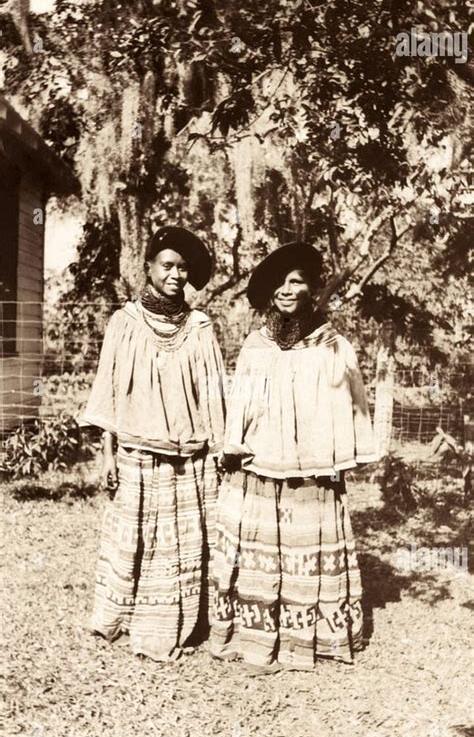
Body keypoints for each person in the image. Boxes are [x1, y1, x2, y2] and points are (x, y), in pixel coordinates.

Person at [210, 242, 375, 674]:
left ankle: (308, 640)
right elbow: (240, 406)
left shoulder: (332, 346)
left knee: (305, 549)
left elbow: (351, 407)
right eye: (280, 282)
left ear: (311, 289)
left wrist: (339, 457)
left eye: (297, 280)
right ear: (269, 292)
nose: (288, 289)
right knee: (264, 552)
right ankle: (258, 636)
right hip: (261, 465)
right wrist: (233, 447)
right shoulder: (255, 346)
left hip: (311, 472)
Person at [81, 226, 226, 661]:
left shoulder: (200, 327)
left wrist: (220, 450)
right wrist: (107, 454)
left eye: (183, 268)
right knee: (140, 540)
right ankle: (125, 619)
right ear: (147, 268)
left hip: (190, 458)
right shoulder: (124, 324)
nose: (176, 275)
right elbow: (107, 390)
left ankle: (184, 622)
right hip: (138, 454)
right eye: (167, 265)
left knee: (184, 542)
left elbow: (214, 393)